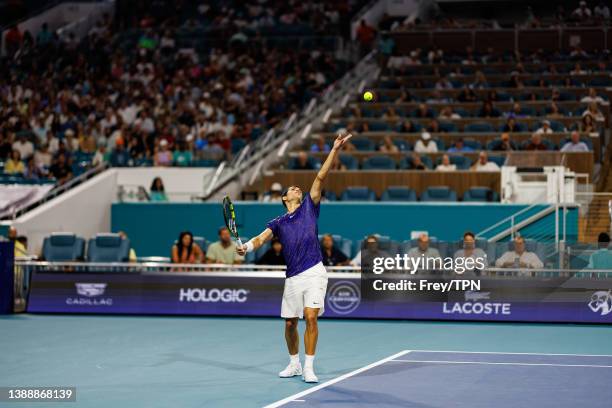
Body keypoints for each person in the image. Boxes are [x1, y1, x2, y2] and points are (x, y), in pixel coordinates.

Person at [236, 131, 353, 383]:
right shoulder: (277, 222)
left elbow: (321, 177)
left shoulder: (310, 206)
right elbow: (260, 239)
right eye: (292, 188)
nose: (297, 188)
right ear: (284, 198)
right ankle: (294, 364)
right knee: (290, 323)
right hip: (292, 276)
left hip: (314, 271)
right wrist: (246, 246)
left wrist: (334, 149)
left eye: (298, 187)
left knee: (310, 316)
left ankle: (309, 366)